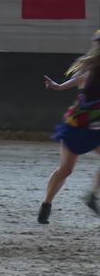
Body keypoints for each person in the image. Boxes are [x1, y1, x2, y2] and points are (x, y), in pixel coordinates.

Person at [39, 31, 100, 224]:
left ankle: (92, 196)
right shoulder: (89, 71)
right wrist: (56, 86)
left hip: (96, 128)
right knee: (65, 170)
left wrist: (57, 86)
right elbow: (68, 84)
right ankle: (46, 205)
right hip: (78, 127)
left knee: (65, 170)